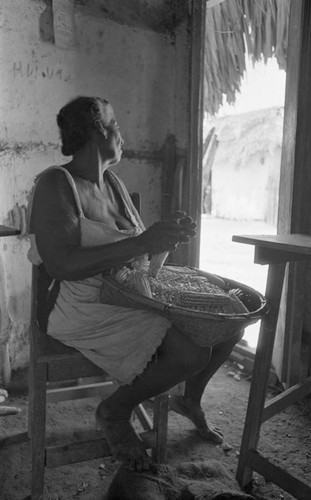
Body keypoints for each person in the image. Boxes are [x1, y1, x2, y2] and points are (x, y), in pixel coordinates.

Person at [28, 96, 243, 471]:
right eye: (116, 126)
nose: (122, 136)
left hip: (127, 293)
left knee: (230, 319)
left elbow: (135, 257)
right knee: (192, 351)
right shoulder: (54, 184)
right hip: (82, 307)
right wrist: (145, 241)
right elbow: (61, 264)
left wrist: (164, 238)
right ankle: (114, 411)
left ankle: (189, 400)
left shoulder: (113, 184)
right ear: (98, 132)